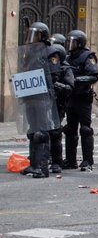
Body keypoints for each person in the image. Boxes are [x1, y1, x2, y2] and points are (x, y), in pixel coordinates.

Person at [19, 22, 62, 178]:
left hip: (43, 97)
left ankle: (43, 167)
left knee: (41, 133)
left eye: (34, 34)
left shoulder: (51, 52)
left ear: (42, 35)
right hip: (30, 96)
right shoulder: (28, 52)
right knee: (32, 131)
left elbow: (54, 75)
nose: (31, 37)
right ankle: (34, 164)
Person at [64, 30, 98, 171]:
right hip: (70, 97)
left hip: (83, 98)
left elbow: (94, 76)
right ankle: (71, 160)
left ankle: (87, 161)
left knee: (85, 129)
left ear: (80, 43)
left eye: (73, 42)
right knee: (70, 129)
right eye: (69, 41)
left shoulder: (88, 56)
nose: (70, 45)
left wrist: (77, 80)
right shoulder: (67, 57)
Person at [47, 44, 75, 174]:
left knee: (55, 133)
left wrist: (55, 85)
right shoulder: (46, 66)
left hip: (58, 104)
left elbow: (69, 87)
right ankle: (39, 160)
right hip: (43, 103)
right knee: (38, 133)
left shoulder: (65, 68)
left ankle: (57, 162)